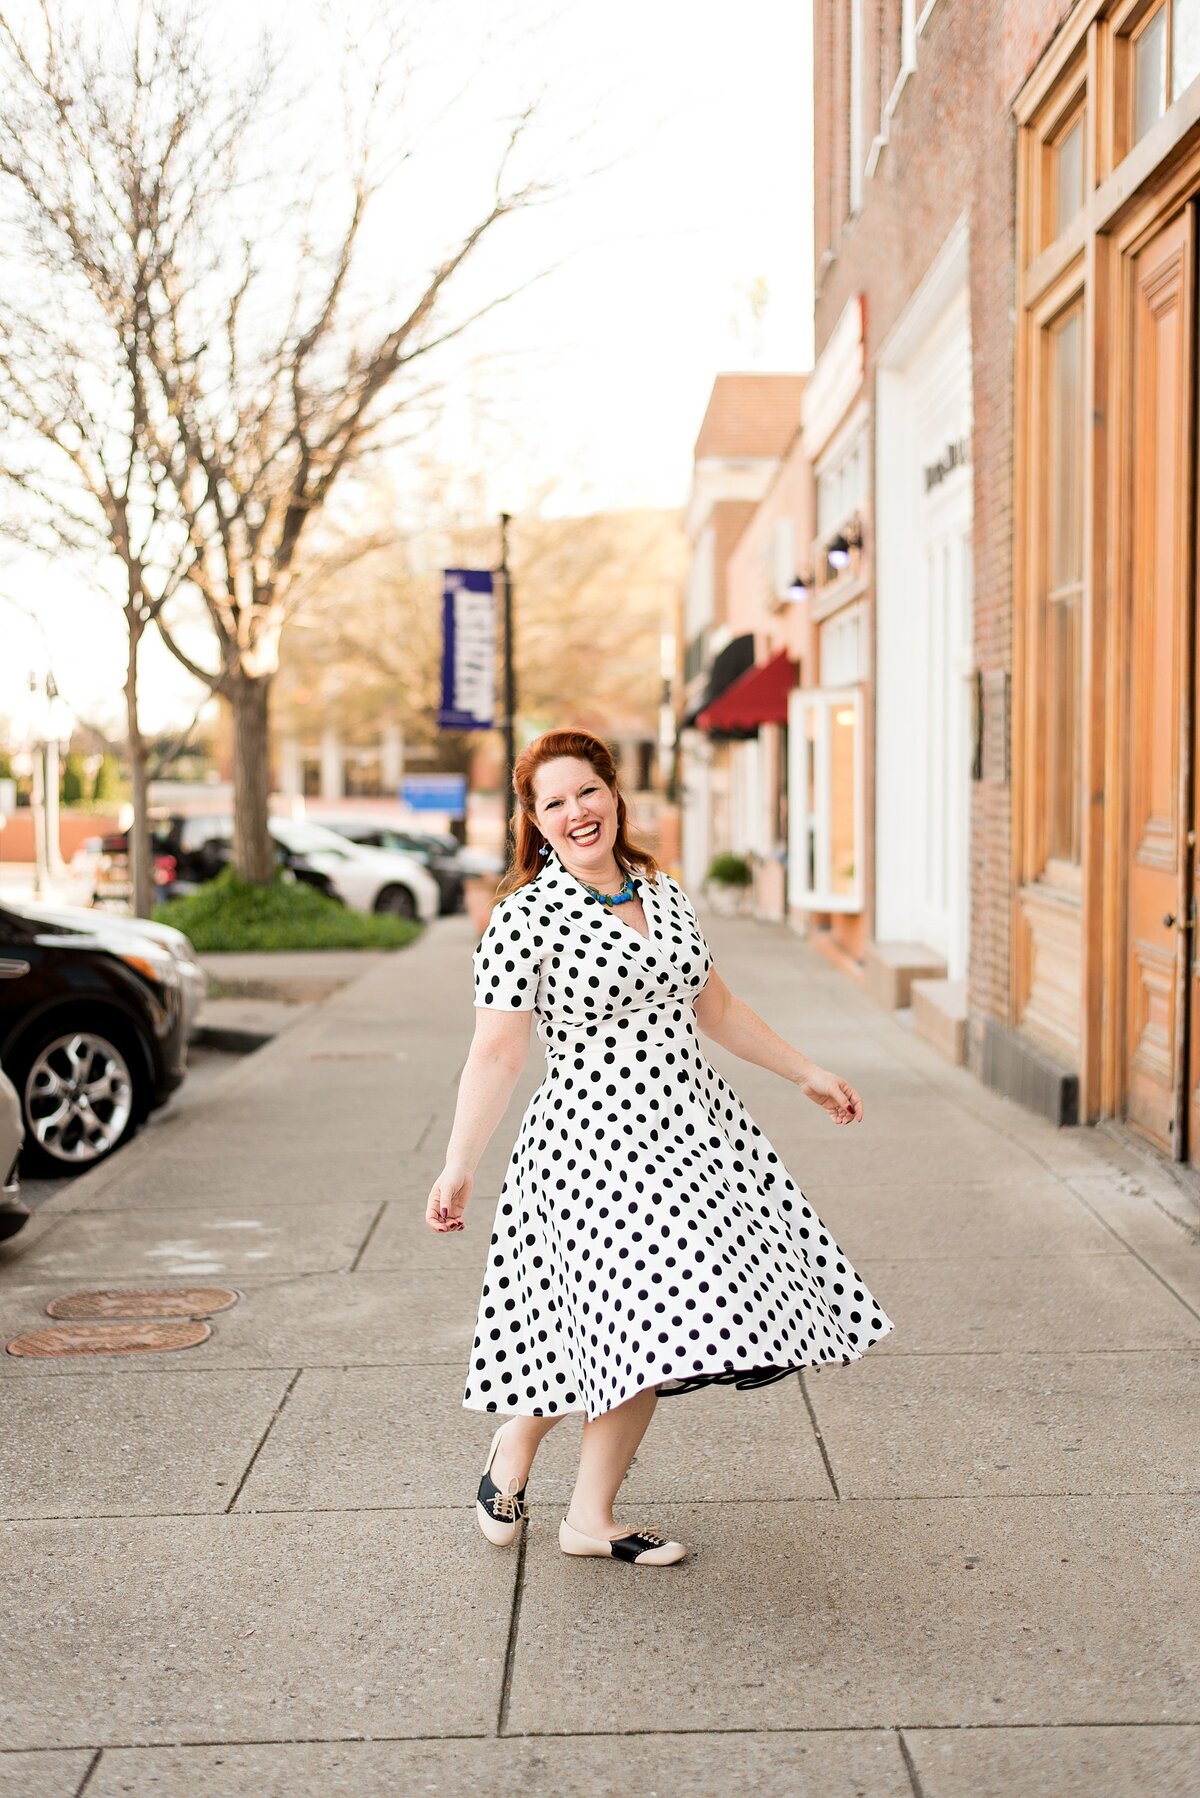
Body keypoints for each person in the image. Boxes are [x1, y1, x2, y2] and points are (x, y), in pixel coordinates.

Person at [426, 729, 894, 1568]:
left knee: (650, 1330)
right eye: (554, 802)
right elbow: (496, 1053)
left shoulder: (664, 892)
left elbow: (716, 1010)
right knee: (632, 1327)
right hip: (591, 1146)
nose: (576, 812)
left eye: (587, 792)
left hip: (691, 1137)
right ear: (533, 822)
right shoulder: (523, 918)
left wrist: (806, 1073)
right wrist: (460, 1162)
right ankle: (531, 1460)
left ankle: (580, 1513)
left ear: (615, 794)